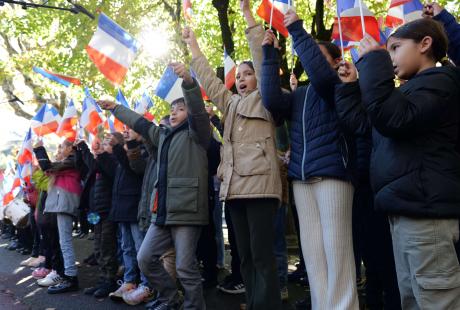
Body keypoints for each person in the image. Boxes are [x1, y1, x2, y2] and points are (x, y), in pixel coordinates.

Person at [346, 18, 460, 309]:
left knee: (435, 300)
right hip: (408, 211)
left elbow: (393, 118)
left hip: (427, 215)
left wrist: (373, 62)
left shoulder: (441, 81)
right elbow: (367, 123)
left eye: (395, 48)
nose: (391, 57)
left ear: (425, 44)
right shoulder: (408, 92)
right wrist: (348, 88)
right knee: (413, 299)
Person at [185, 0, 283, 308]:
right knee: (246, 258)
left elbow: (260, 56)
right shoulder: (230, 104)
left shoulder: (266, 99)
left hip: (261, 188)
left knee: (263, 257)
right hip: (234, 189)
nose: (241, 79)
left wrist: (246, 14)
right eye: (238, 76)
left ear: (259, 78)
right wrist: (194, 47)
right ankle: (254, 302)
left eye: (247, 74)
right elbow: (210, 82)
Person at [260, 9, 358, 310]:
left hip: (332, 175)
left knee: (336, 251)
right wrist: (268, 55)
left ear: (334, 61)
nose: (309, 56)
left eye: (318, 53)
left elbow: (319, 73)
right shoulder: (299, 94)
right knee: (314, 254)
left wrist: (297, 31)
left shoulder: (338, 85)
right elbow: (271, 99)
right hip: (301, 179)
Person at [98, 62, 210, 310]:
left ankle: (194, 306)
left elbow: (199, 111)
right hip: (162, 211)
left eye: (180, 109)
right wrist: (116, 108)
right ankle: (170, 298)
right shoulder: (163, 136)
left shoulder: (198, 133)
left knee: (184, 266)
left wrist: (189, 83)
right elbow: (140, 124)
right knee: (144, 258)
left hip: (188, 210)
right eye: (171, 109)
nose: (173, 112)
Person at [335, 61, 402, 309]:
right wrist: (349, 86)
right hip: (364, 187)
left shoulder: (394, 105)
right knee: (372, 259)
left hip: (386, 190)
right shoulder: (364, 108)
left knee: (389, 263)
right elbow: (354, 120)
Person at [33, 139, 82, 294]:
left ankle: (70, 277)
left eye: (62, 146)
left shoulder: (72, 160)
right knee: (63, 241)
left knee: (65, 241)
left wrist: (40, 149)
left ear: (70, 148)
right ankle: (67, 275)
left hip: (66, 203)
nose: (59, 149)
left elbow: (47, 166)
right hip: (62, 203)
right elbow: (47, 170)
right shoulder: (69, 161)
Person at [75, 138, 119, 299]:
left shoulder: (112, 162)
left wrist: (85, 148)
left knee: (107, 248)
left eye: (107, 144)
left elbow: (95, 165)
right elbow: (84, 168)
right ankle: (102, 279)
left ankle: (110, 281)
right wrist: (80, 151)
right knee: (98, 249)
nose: (102, 146)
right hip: (96, 212)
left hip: (107, 212)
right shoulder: (99, 163)